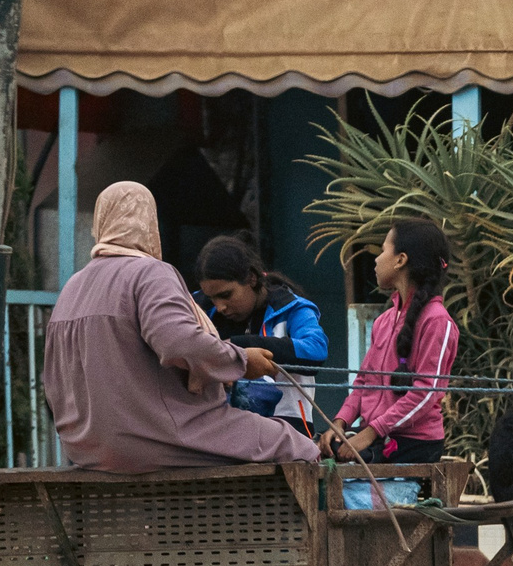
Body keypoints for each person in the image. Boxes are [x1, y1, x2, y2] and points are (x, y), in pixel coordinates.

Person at [42, 183, 318, 471]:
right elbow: (179, 343)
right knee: (296, 444)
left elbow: (52, 378)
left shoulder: (73, 286)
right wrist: (242, 360)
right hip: (155, 437)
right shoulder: (149, 273)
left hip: (85, 448)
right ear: (149, 223)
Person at [320, 218, 458, 465]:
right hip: (376, 435)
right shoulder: (385, 321)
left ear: (400, 260)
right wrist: (340, 422)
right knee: (319, 451)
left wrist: (372, 431)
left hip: (413, 442)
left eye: (383, 250)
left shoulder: (438, 321)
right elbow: (363, 381)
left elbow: (425, 392)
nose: (376, 259)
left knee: (341, 465)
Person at [196, 235, 329, 431]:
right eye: (212, 298)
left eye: (226, 295)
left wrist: (239, 345)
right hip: (217, 425)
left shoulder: (292, 308)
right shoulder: (200, 308)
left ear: (251, 278)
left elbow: (316, 349)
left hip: (285, 425)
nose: (220, 306)